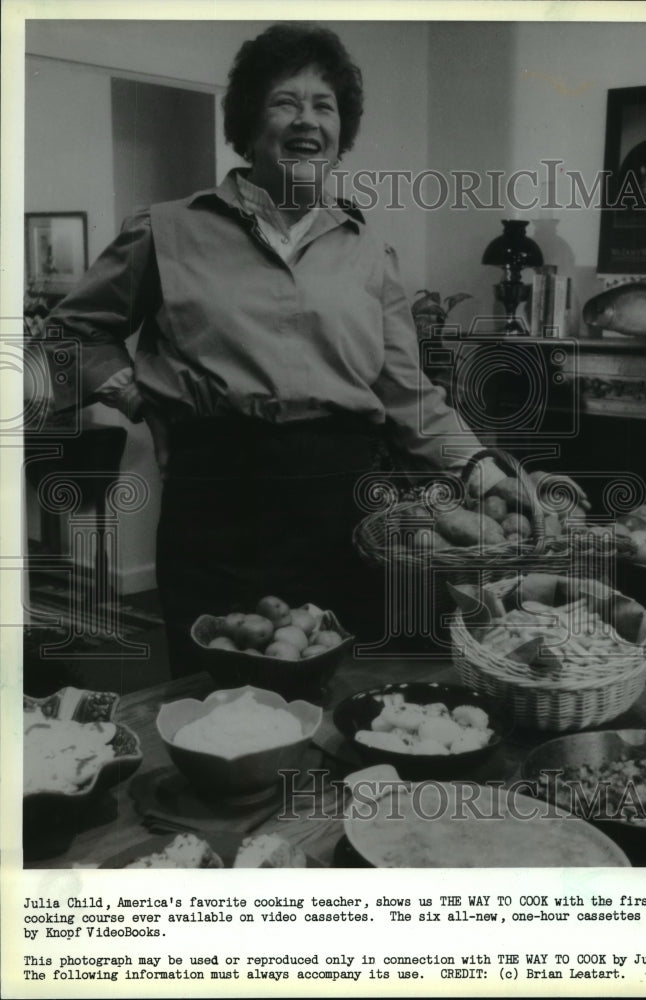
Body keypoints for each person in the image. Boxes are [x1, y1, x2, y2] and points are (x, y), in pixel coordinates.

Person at [39, 23, 585, 675]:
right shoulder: (166, 231)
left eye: (324, 106)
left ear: (341, 129)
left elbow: (409, 397)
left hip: (342, 509)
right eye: (285, 102)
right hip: (215, 504)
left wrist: (487, 470)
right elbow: (70, 333)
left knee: (344, 689)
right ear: (248, 120)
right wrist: (135, 396)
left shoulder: (369, 253)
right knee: (218, 690)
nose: (307, 121)